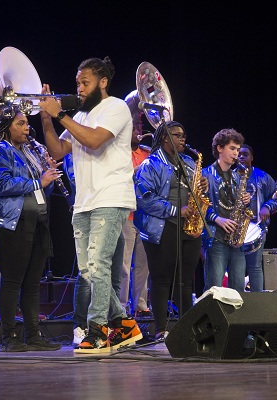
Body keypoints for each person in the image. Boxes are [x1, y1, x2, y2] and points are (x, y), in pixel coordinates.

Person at [38, 56, 142, 353]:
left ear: (103, 82)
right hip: (84, 202)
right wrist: (46, 118)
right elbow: (58, 150)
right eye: (78, 83)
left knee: (98, 265)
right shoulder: (80, 116)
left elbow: (95, 140)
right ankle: (124, 324)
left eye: (85, 83)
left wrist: (60, 115)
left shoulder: (116, 107)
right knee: (87, 271)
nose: (80, 89)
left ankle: (97, 331)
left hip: (111, 197)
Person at [0, 111, 62, 352]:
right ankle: (9, 337)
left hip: (36, 222)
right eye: (21, 123)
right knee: (12, 281)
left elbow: (42, 192)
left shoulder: (30, 152)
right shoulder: (0, 150)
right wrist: (39, 181)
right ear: (7, 126)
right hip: (12, 223)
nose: (27, 127)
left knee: (32, 283)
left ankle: (33, 335)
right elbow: (0, 184)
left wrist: (48, 176)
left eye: (27, 123)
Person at [134, 120, 206, 341]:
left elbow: (197, 192)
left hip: (189, 228)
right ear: (165, 138)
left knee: (185, 280)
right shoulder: (150, 164)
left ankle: (186, 328)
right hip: (163, 228)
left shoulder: (188, 163)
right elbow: (145, 200)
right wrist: (176, 210)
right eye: (177, 135)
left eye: (184, 135)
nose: (182, 139)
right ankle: (160, 329)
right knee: (162, 279)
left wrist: (203, 186)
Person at [62, 153, 126, 346]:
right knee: (88, 273)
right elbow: (79, 181)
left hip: (111, 211)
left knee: (112, 275)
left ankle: (114, 324)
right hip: (89, 213)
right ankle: (82, 325)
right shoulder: (75, 153)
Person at [202, 129, 250, 294]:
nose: (236, 153)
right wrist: (217, 218)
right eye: (232, 148)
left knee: (238, 289)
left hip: (235, 239)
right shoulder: (205, 174)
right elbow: (199, 205)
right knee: (214, 288)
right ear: (220, 148)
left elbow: (239, 207)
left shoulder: (237, 177)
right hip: (216, 238)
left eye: (238, 149)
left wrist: (245, 202)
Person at [120, 90, 151, 319]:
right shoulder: (119, 153)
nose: (138, 131)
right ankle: (121, 307)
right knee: (123, 265)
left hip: (145, 216)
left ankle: (140, 305)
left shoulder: (148, 153)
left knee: (144, 265)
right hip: (127, 215)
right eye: (134, 128)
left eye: (140, 127)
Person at [237, 144, 277, 292]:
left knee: (255, 267)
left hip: (257, 227)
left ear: (252, 157)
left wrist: (267, 207)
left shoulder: (263, 177)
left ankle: (257, 300)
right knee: (236, 267)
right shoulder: (229, 176)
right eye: (238, 154)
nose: (241, 156)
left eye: (245, 154)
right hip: (235, 229)